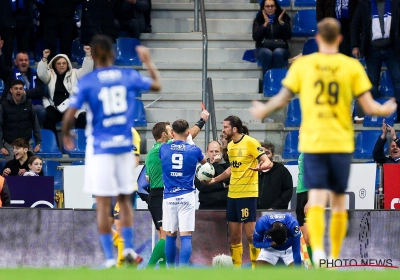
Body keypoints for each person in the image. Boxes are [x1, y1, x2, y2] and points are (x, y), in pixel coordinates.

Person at [250, 18, 397, 267]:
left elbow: (283, 98)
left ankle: (317, 252)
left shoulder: (305, 65)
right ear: (340, 39)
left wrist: (264, 110)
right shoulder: (350, 66)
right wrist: (387, 108)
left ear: (317, 38)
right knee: (338, 200)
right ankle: (334, 254)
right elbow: (370, 105)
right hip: (339, 142)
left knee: (315, 198)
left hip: (314, 143)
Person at [62, 34, 161, 268]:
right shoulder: (127, 75)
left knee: (104, 203)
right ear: (114, 53)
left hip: (101, 149)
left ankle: (109, 257)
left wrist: (66, 133)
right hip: (125, 146)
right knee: (125, 200)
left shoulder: (88, 82)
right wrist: (147, 61)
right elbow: (156, 85)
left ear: (93, 55)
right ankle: (127, 249)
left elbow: (69, 113)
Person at [206, 115, 273, 268]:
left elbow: (267, 161)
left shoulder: (250, 142)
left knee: (251, 235)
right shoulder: (230, 146)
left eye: (225, 127)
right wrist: (215, 180)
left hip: (247, 194)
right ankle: (237, 271)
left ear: (234, 129)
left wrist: (263, 166)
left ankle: (257, 269)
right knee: (234, 236)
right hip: (233, 195)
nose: (223, 130)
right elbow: (232, 169)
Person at [145, 112, 209, 268]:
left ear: (172, 133)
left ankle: (171, 270)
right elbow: (205, 162)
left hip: (169, 197)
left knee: (170, 236)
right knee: (186, 236)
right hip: (186, 195)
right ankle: (182, 272)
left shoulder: (163, 149)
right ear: (187, 133)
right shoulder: (194, 150)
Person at [351, 0, 400, 119]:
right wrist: (355, 45)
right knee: (372, 83)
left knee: (398, 81)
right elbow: (355, 24)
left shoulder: (395, 2)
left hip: (392, 49)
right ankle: (374, 116)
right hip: (372, 50)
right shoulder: (364, 3)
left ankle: (399, 115)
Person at [38, 47, 93, 145]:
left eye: (64, 63)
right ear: (54, 65)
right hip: (55, 108)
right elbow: (41, 74)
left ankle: (79, 145)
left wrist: (88, 56)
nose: (61, 65)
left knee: (83, 117)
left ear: (67, 64)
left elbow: (86, 72)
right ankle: (52, 145)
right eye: (58, 63)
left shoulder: (75, 73)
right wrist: (44, 59)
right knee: (48, 117)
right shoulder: (50, 75)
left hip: (72, 108)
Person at [0, 41, 46, 125]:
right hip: (14, 106)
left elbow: (40, 91)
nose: (24, 62)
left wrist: (24, 93)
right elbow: (1, 68)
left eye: (26, 60)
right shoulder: (10, 73)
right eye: (21, 60)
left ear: (28, 62)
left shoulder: (36, 74)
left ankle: (35, 133)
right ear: (15, 62)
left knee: (40, 110)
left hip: (33, 106)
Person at [0, 80, 41, 161]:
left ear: (23, 90)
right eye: (16, 88)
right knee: (14, 170)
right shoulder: (3, 106)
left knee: (29, 170)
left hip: (26, 145)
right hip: (10, 145)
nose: (18, 91)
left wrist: (38, 143)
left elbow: (35, 125)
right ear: (11, 90)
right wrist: (1, 146)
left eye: (21, 88)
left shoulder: (29, 104)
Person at [252, 0, 292, 78]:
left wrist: (281, 23)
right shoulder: (259, 19)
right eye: (267, 6)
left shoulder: (284, 17)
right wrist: (265, 24)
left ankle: (277, 82)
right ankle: (267, 82)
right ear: (263, 8)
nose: (270, 8)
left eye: (272, 6)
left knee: (278, 52)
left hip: (281, 48)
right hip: (262, 48)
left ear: (276, 7)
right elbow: (256, 37)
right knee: (267, 53)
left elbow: (288, 36)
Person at [195, 141, 230, 210]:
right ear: (207, 152)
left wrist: (215, 164)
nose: (214, 154)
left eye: (216, 151)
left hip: (224, 206)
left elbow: (227, 180)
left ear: (221, 152)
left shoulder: (227, 166)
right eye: (211, 151)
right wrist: (222, 185)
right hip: (205, 206)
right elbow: (201, 186)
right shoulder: (201, 167)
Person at [257, 142, 293, 210]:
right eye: (262, 153)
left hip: (275, 213)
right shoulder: (253, 171)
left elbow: (287, 192)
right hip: (253, 213)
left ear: (273, 155)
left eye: (267, 153)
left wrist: (275, 207)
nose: (264, 156)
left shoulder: (282, 171)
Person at [0, 0, 33, 67]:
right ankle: (8, 74)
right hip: (6, 22)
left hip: (24, 21)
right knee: (8, 52)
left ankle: (24, 74)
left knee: (24, 50)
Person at [295, 152, 312, 263]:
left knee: (310, 238)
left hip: (308, 194)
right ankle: (309, 266)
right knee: (304, 238)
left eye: (301, 133)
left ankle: (316, 268)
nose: (299, 136)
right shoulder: (302, 153)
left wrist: (311, 200)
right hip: (300, 193)